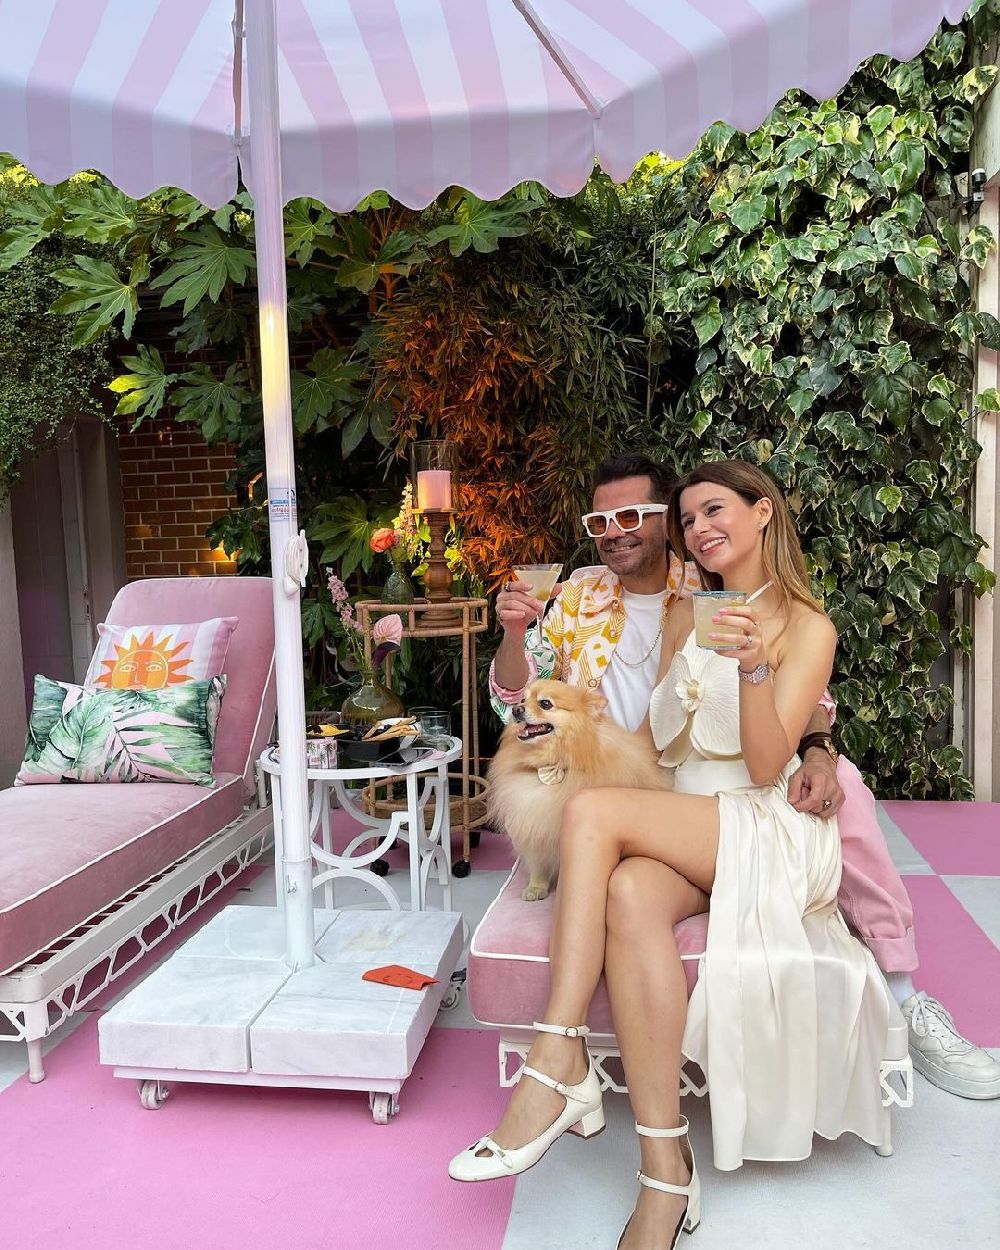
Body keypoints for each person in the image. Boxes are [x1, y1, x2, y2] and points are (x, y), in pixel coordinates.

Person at [451, 461, 906, 1250]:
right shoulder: (684, 612)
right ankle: (666, 1172)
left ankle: (558, 1059)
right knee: (627, 892)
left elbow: (766, 764)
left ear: (763, 513)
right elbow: (658, 738)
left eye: (714, 510)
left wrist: (760, 675)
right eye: (691, 518)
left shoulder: (808, 627)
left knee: (592, 813)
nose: (700, 529)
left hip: (761, 825)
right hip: (691, 822)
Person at [487, 452, 1000, 1101]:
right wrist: (515, 633)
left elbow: (801, 698)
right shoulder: (576, 596)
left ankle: (903, 990)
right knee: (625, 878)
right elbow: (518, 702)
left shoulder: (708, 585)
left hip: (729, 794)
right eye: (599, 521)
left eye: (634, 516)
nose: (614, 531)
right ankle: (656, 1133)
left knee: (843, 786)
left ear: (664, 521)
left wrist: (818, 749)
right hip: (641, 778)